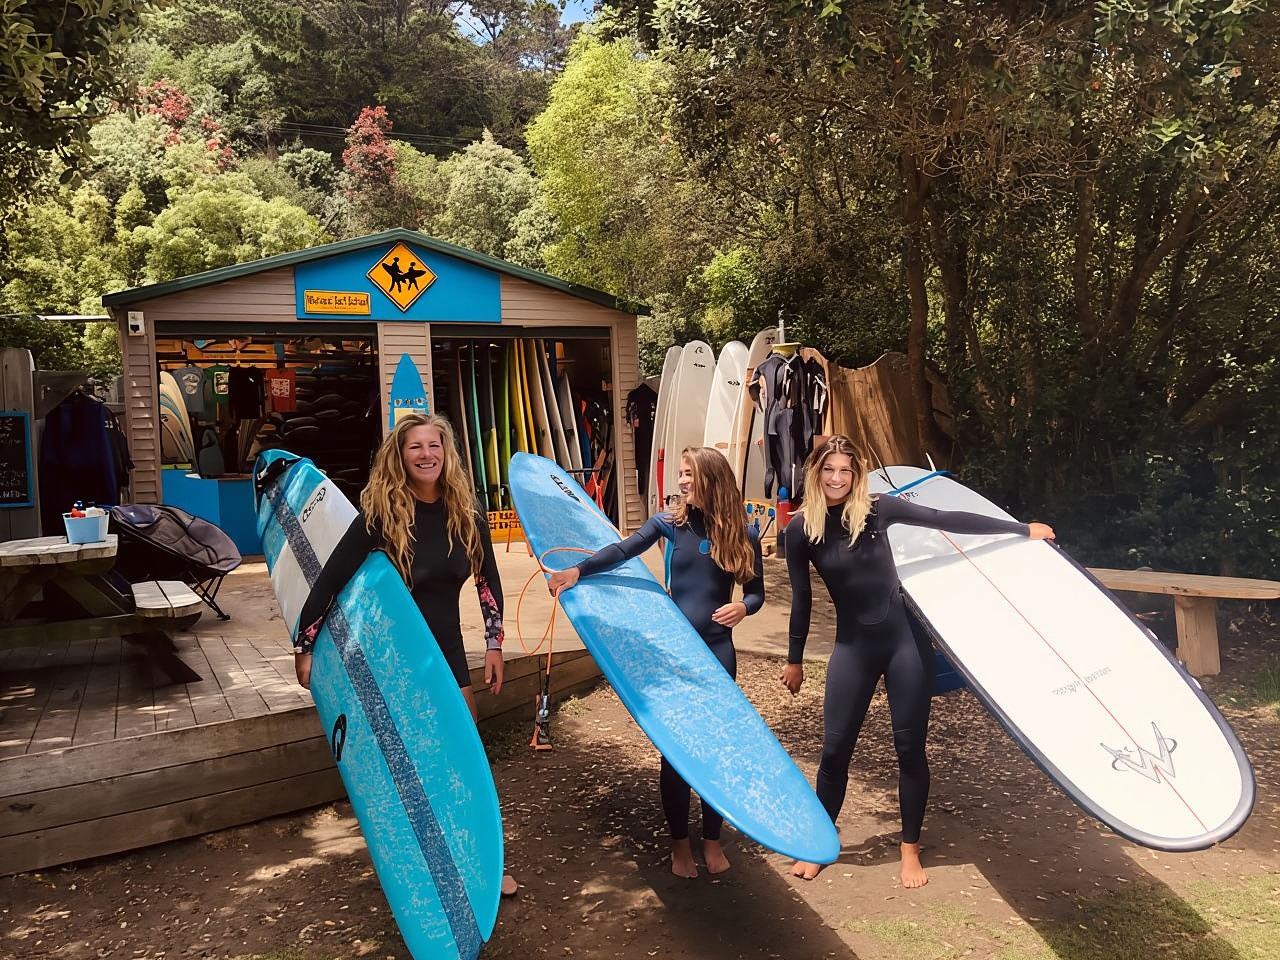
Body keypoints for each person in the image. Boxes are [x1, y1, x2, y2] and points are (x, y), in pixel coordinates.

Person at [781, 436, 1055, 888]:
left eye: (846, 471)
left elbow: (943, 519)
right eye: (829, 470)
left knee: (909, 749)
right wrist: (794, 659)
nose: (837, 479)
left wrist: (1022, 529)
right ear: (815, 472)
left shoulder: (878, 509)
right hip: (852, 648)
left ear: (856, 474)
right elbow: (802, 599)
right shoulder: (799, 530)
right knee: (834, 749)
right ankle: (820, 839)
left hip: (904, 643)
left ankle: (910, 850)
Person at [292, 412, 517, 896]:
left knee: (464, 757)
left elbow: (487, 582)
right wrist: (306, 644)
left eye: (434, 445)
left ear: (446, 452)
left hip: (448, 652)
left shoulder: (466, 514)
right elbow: (330, 580)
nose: (426, 454)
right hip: (392, 657)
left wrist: (494, 644)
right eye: (415, 446)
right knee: (411, 761)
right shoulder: (381, 516)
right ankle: (422, 860)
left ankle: (485, 864)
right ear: (400, 455)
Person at [547, 446, 765, 878]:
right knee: (676, 752)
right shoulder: (669, 523)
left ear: (711, 478)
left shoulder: (742, 532)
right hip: (675, 654)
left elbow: (757, 591)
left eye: (688, 474)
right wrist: (579, 571)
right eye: (680, 474)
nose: (681, 482)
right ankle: (680, 845)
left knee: (714, 751)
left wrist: (744, 608)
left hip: (718, 651)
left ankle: (712, 840)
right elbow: (622, 550)